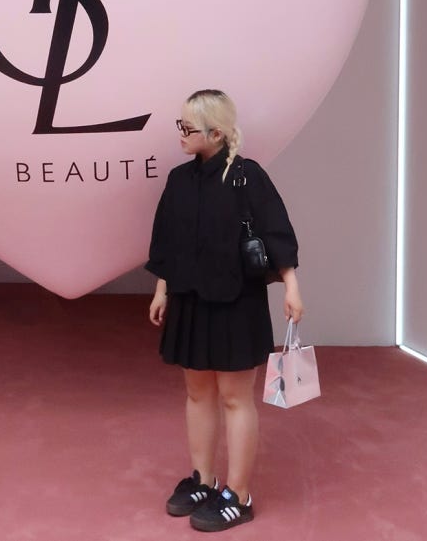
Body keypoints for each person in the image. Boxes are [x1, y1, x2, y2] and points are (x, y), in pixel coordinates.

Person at [146, 89, 303, 532]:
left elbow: (277, 233)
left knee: (235, 398)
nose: (180, 134)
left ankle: (239, 494)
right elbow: (167, 240)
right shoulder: (179, 180)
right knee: (197, 393)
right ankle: (203, 480)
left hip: (237, 302)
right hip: (190, 299)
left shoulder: (248, 177)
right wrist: (162, 289)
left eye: (187, 128)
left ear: (216, 133)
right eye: (179, 125)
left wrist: (292, 287)